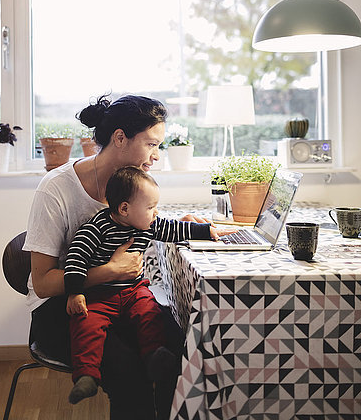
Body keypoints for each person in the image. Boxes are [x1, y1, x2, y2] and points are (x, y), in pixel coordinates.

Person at [23, 93, 235, 420]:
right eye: (151, 145)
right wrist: (108, 271)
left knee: (183, 351)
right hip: (66, 306)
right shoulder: (57, 188)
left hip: (123, 298)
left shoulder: (133, 185)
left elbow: (153, 225)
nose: (156, 157)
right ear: (120, 138)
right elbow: (42, 283)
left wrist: (186, 226)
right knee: (129, 374)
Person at [65, 165, 229, 405]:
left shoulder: (147, 224)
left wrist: (208, 231)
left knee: (149, 311)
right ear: (124, 209)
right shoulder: (95, 229)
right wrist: (74, 292)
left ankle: (154, 355)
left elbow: (175, 228)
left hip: (133, 291)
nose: (156, 213)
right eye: (151, 207)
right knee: (85, 324)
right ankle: (87, 375)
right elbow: (75, 259)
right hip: (99, 296)